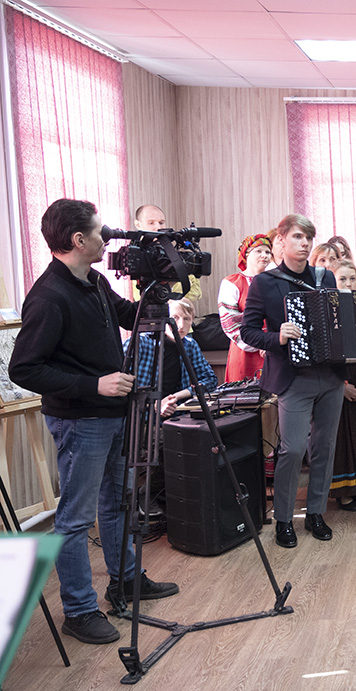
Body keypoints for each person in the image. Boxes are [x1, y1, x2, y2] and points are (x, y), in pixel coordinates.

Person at [10, 198, 178, 645]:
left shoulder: (94, 280)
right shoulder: (49, 296)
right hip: (80, 420)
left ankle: (126, 581)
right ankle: (79, 610)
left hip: (113, 414)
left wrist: (159, 285)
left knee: (119, 501)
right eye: (100, 232)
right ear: (78, 240)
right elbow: (24, 369)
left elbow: (132, 316)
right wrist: (94, 385)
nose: (107, 239)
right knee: (75, 519)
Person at [241, 213, 344, 547]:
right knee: (293, 448)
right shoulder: (264, 282)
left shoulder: (325, 277)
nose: (304, 243)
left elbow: (336, 321)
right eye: (298, 237)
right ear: (281, 241)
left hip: (330, 375)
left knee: (324, 448)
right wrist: (278, 337)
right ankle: (284, 519)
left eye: (308, 238)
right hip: (292, 378)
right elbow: (248, 332)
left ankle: (315, 512)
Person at [328, 260, 356, 512]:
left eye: (352, 279)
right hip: (337, 381)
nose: (347, 284)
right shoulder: (326, 310)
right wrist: (341, 385)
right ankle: (344, 491)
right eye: (342, 279)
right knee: (342, 437)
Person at [129, 298, 218, 418]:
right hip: (140, 417)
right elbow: (122, 386)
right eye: (174, 318)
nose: (180, 325)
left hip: (176, 413)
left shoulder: (189, 344)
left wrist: (176, 396)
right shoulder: (140, 342)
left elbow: (210, 380)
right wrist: (154, 405)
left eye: (186, 319)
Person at [218, 233, 273, 382]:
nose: (264, 255)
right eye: (258, 251)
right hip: (245, 351)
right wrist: (260, 343)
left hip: (273, 350)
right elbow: (230, 323)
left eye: (268, 252)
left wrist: (272, 343)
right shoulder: (231, 283)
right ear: (246, 254)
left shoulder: (275, 281)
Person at [133, 204, 201, 301]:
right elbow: (139, 298)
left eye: (161, 223)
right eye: (151, 223)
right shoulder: (135, 257)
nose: (157, 227)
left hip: (181, 309)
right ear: (138, 225)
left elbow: (196, 292)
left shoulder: (173, 253)